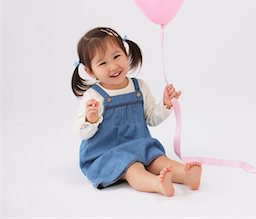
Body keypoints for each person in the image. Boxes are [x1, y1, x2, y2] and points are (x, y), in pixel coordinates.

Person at [71, 27, 201, 196]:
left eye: (117, 56)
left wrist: (166, 104)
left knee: (158, 159)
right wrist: (90, 119)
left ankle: (186, 174)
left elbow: (151, 118)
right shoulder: (94, 96)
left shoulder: (139, 86)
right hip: (107, 153)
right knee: (133, 167)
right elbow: (81, 133)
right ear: (89, 71)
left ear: (126, 53)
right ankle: (157, 184)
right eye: (102, 63)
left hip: (139, 144)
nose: (113, 66)